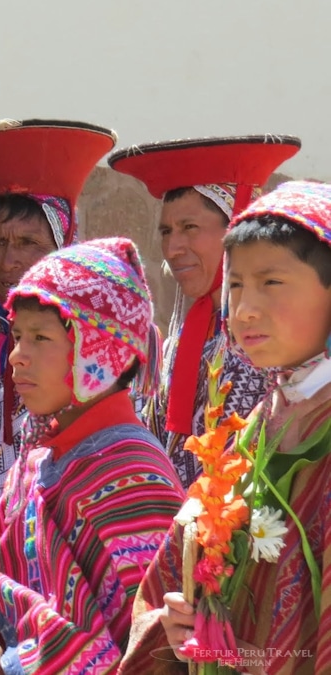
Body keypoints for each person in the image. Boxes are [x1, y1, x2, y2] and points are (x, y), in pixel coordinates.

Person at [122, 181, 331, 674]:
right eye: (235, 285)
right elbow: (169, 577)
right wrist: (171, 625)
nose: (246, 308)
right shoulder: (256, 428)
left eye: (271, 282)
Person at [0, 238, 183, 674]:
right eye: (17, 336)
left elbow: (145, 643)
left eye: (40, 337)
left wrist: (17, 666)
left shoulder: (135, 473)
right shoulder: (36, 461)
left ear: (98, 351)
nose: (18, 356)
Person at [0, 119, 116, 553]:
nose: (8, 260)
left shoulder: (90, 347)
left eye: (28, 242)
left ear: (62, 247)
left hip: (59, 546)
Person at [109, 135, 301, 487]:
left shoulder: (277, 344)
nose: (172, 247)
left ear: (235, 230)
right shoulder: (180, 340)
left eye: (189, 228)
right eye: (166, 231)